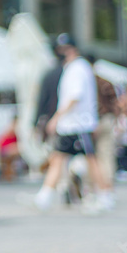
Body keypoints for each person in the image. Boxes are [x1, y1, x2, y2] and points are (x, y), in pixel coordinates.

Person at [34, 34, 111, 213]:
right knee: (59, 158)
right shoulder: (73, 68)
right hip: (71, 125)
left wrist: (56, 118)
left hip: (78, 124)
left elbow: (74, 97)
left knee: (90, 159)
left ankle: (105, 195)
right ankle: (44, 196)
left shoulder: (77, 68)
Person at [86, 54, 119, 203]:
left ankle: (95, 189)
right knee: (106, 155)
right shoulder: (104, 81)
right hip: (107, 120)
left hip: (93, 121)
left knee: (93, 157)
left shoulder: (86, 82)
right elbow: (115, 103)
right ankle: (107, 188)